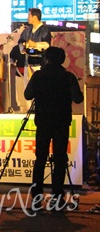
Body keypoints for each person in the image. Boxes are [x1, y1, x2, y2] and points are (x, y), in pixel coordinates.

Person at [24, 47, 83, 208]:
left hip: (43, 121)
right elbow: (78, 98)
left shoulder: (38, 76)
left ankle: (37, 197)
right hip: (62, 122)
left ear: (47, 59)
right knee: (60, 158)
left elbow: (27, 95)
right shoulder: (68, 77)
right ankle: (57, 196)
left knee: (40, 159)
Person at [19, 8, 52, 84]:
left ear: (34, 17)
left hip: (40, 62)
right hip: (28, 62)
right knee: (29, 84)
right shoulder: (27, 31)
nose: (28, 18)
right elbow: (21, 42)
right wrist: (24, 45)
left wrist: (35, 44)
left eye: (29, 15)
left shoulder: (45, 30)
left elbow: (47, 45)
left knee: (41, 84)